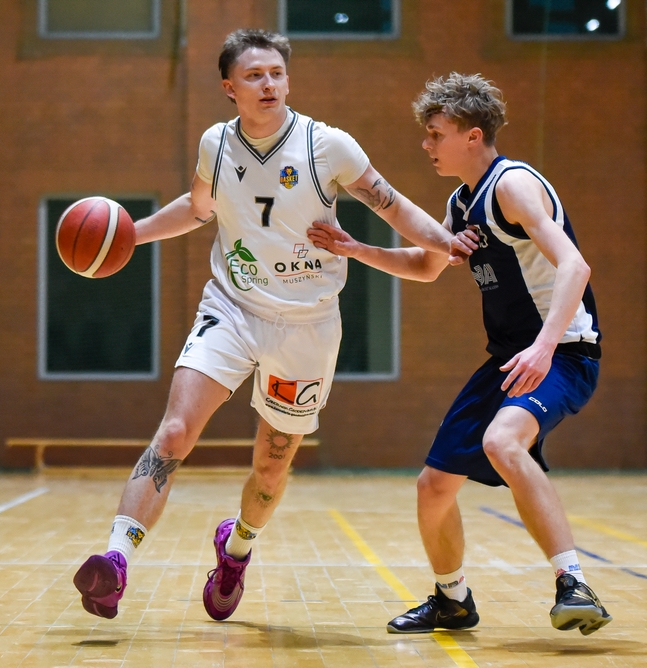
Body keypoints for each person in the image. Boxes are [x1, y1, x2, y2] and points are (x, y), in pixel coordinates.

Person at [72, 29, 451, 622]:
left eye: (276, 73)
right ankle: (115, 561)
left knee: (270, 470)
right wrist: (129, 235)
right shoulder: (216, 145)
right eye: (254, 76)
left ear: (288, 80)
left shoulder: (328, 146)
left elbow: (394, 205)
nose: (268, 84)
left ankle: (237, 549)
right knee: (175, 432)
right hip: (232, 307)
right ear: (230, 88)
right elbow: (198, 209)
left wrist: (448, 242)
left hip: (306, 326)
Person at [308, 72, 611, 636]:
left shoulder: (512, 186)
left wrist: (544, 348)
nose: (426, 144)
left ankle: (573, 583)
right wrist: (356, 249)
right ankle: (453, 600)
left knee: (501, 441)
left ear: (473, 136)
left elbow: (575, 265)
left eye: (436, 133)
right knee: (433, 486)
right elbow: (427, 267)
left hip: (564, 351)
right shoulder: (462, 201)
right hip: (509, 359)